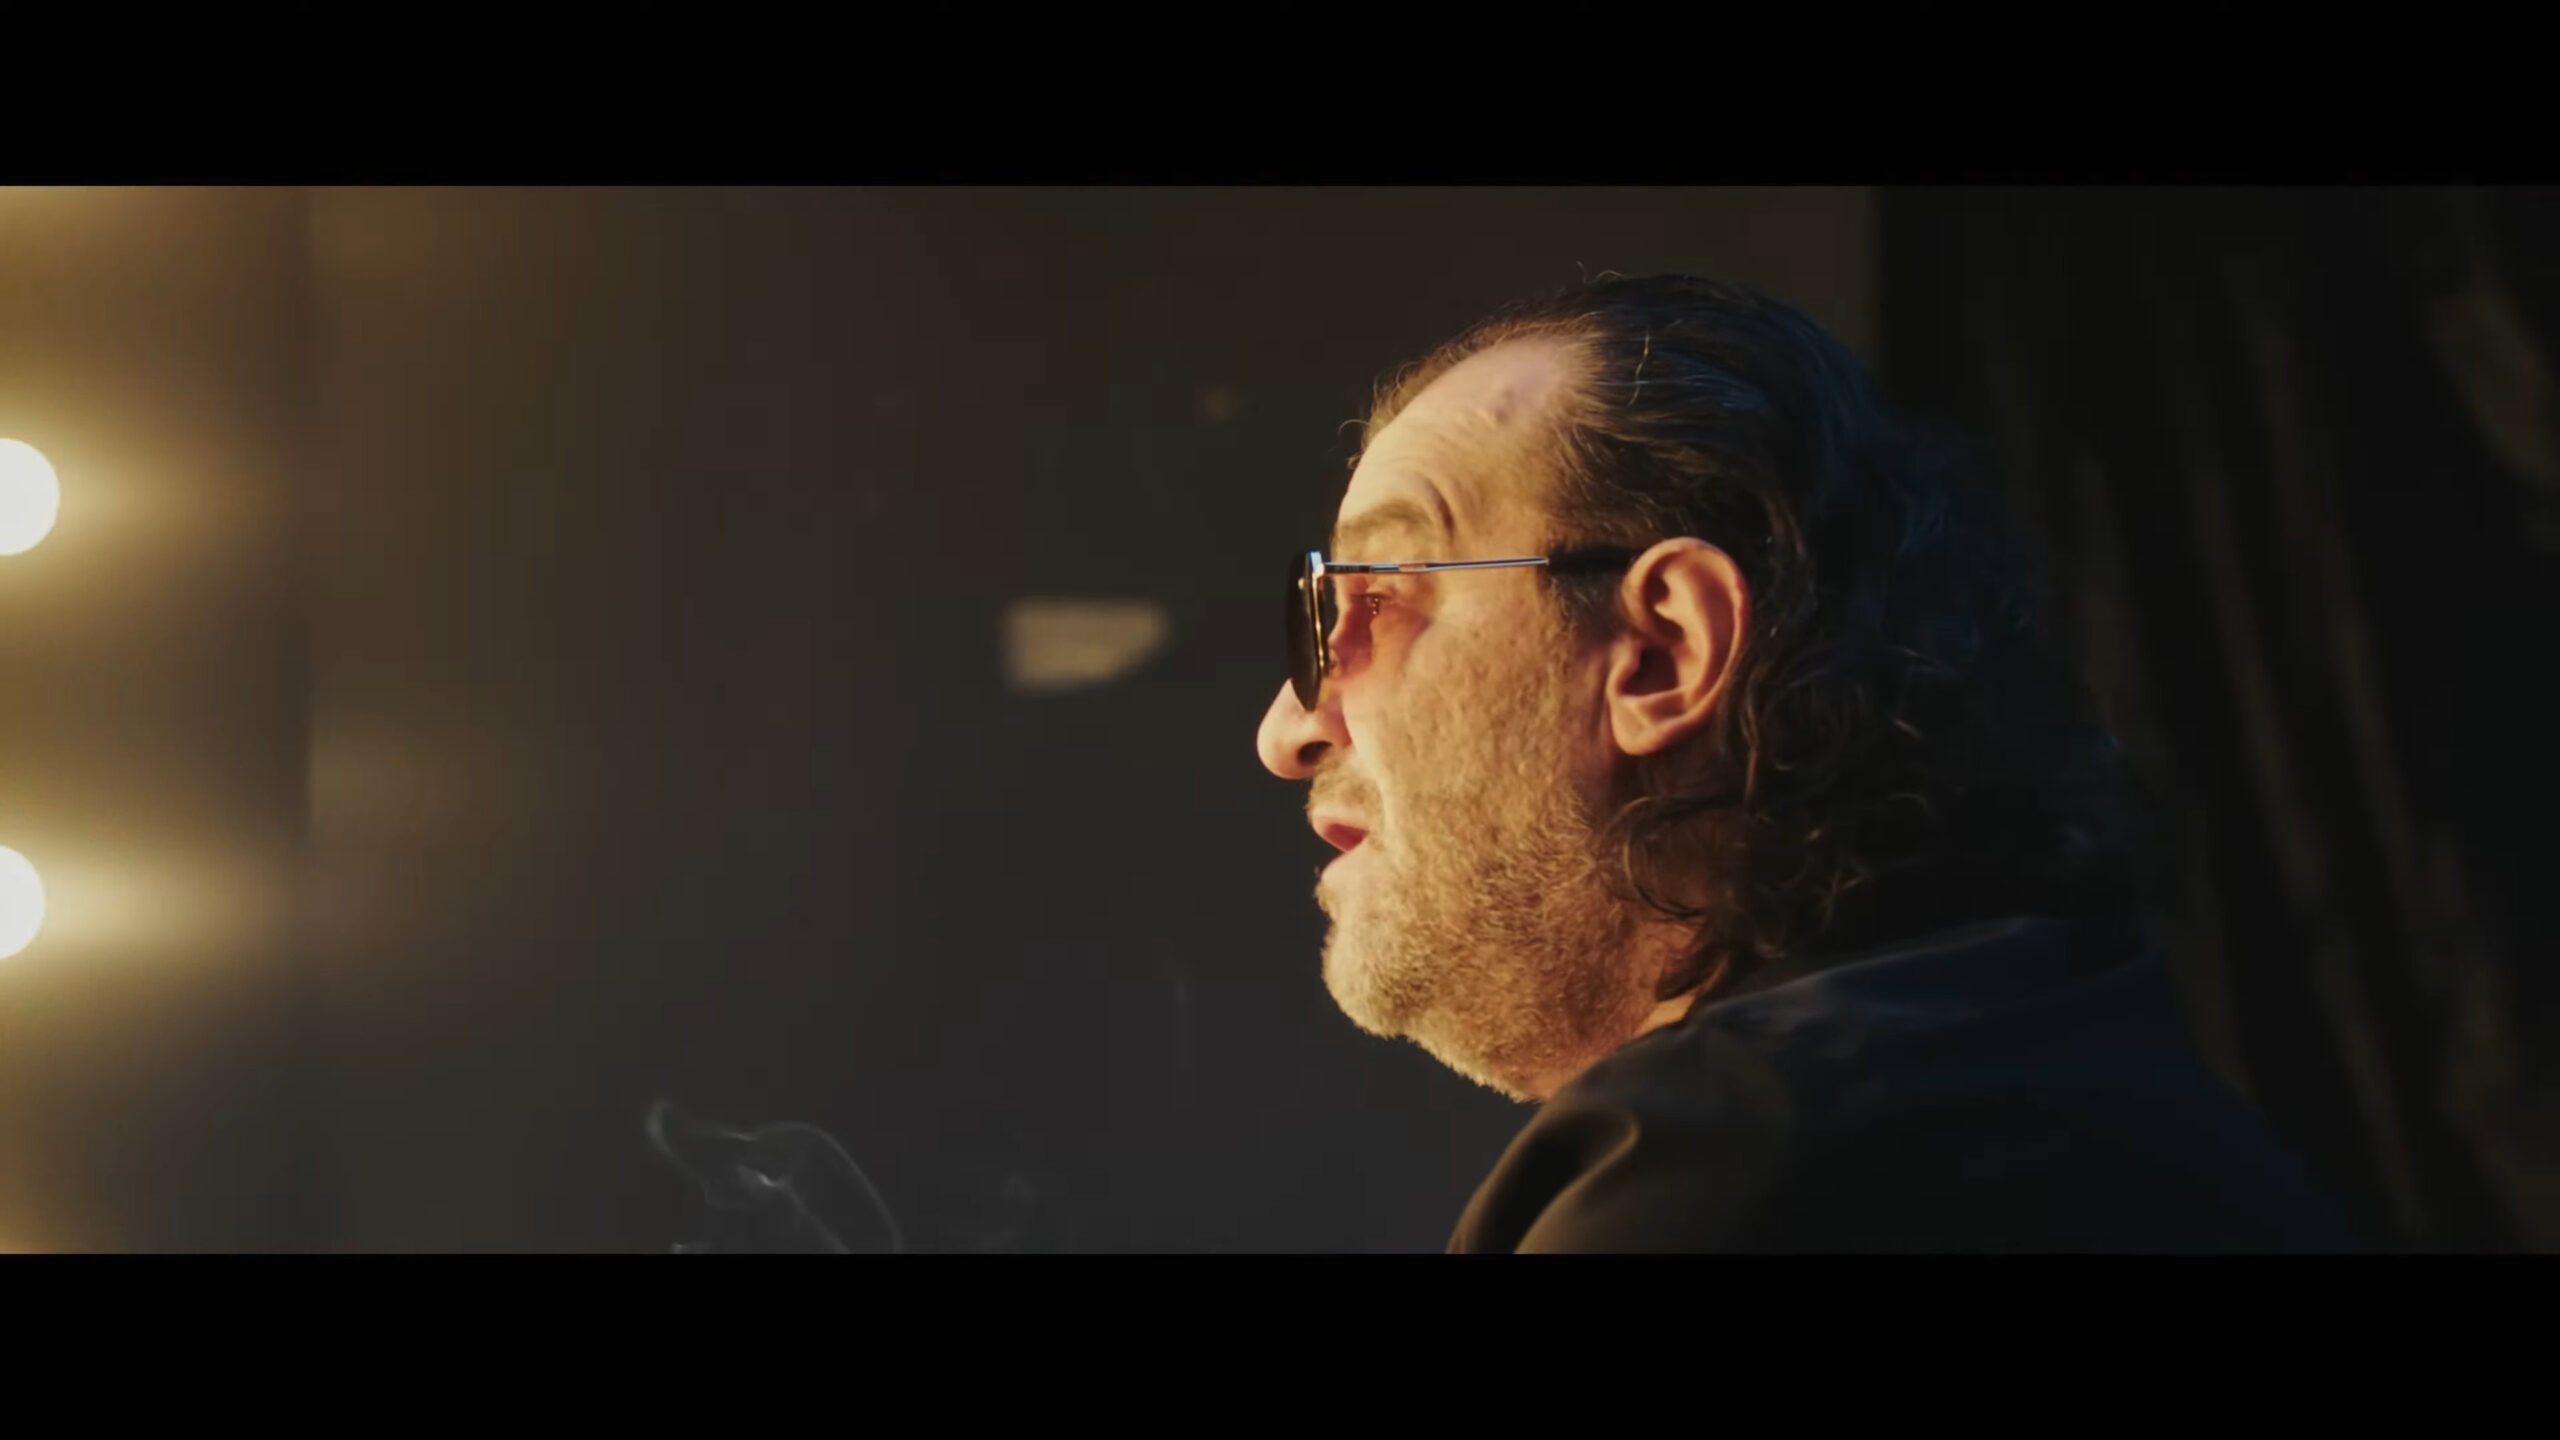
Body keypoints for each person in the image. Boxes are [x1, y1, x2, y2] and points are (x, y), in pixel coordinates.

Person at [1253, 274, 2363, 1252]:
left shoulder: (1741, 1166)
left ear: (1663, 651)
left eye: (1375, 594)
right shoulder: (2052, 1068)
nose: (1290, 728)